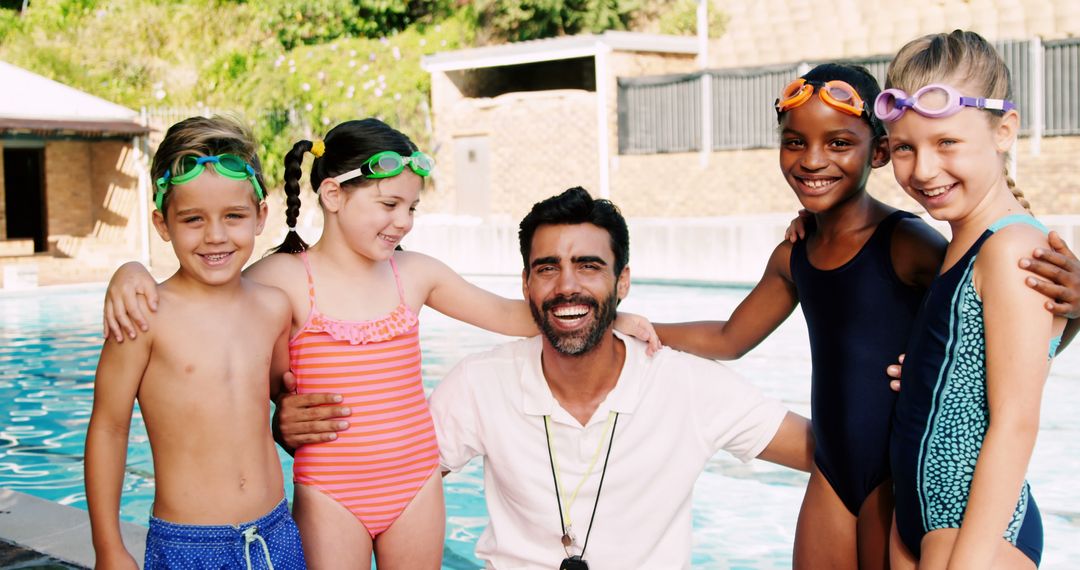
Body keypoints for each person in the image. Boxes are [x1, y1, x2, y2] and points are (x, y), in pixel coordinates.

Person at [99, 119, 657, 569]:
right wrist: (129, 270)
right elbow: (260, 382)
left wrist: (607, 317)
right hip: (329, 491)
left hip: (414, 482)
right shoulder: (281, 283)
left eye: (411, 208)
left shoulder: (412, 274)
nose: (403, 222)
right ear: (333, 194)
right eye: (390, 206)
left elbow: (515, 317)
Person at [652, 64, 1080, 570]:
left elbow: (1003, 349)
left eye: (837, 144)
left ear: (875, 151)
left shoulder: (912, 243)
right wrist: (632, 326)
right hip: (838, 475)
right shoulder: (794, 254)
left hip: (899, 482)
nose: (813, 160)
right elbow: (729, 336)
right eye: (794, 142)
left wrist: (1073, 311)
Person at [280, 187, 814, 568]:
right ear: (525, 284)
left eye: (588, 266)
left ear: (622, 281)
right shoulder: (480, 383)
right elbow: (380, 476)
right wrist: (287, 424)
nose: (566, 286)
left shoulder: (687, 385)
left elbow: (827, 452)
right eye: (546, 268)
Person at [84, 116, 306, 569]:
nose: (215, 236)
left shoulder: (274, 308)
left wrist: (294, 414)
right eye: (192, 219)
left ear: (261, 216)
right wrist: (108, 547)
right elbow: (108, 427)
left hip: (276, 531)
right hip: (188, 543)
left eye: (234, 216)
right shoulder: (145, 315)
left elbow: (280, 397)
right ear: (162, 223)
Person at [881, 30, 1067, 569]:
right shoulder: (964, 242)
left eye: (947, 143)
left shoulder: (1011, 247)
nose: (923, 169)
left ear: (1004, 130)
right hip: (927, 518)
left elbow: (1015, 419)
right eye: (904, 148)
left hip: (975, 533)